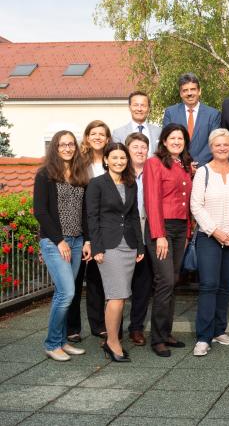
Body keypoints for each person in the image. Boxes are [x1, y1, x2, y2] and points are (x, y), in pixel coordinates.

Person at [190, 129, 229, 356]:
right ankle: (204, 337)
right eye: (217, 145)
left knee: (225, 286)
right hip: (209, 237)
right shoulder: (203, 173)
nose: (222, 148)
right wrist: (215, 231)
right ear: (211, 147)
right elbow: (196, 205)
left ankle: (218, 330)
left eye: (226, 145)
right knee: (209, 285)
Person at [34, 130, 91, 361]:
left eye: (70, 144)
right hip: (54, 242)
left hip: (77, 241)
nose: (67, 148)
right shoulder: (45, 174)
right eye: (62, 144)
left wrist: (87, 239)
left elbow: (84, 211)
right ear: (55, 148)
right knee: (67, 292)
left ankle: (61, 341)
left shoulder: (79, 173)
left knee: (66, 292)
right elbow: (40, 212)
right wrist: (59, 241)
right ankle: (51, 343)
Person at [87, 143, 145, 362]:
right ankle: (112, 342)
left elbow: (132, 217)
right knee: (117, 296)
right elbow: (92, 218)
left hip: (129, 245)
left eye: (123, 158)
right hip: (108, 246)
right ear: (106, 160)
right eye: (115, 158)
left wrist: (139, 246)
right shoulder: (96, 184)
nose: (119, 161)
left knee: (121, 296)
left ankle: (111, 339)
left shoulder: (131, 184)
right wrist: (97, 247)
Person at [144, 124, 193, 357]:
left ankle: (166, 333)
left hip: (180, 228)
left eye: (180, 138)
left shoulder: (184, 165)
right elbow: (152, 201)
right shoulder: (154, 163)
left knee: (173, 280)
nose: (176, 141)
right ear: (163, 141)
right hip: (161, 228)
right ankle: (157, 339)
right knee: (164, 281)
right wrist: (159, 234)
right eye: (172, 138)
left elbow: (188, 202)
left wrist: (188, 233)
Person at [67, 120, 111, 342]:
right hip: (79, 227)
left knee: (96, 280)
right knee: (74, 280)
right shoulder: (78, 163)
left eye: (101, 134)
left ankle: (98, 325)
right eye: (93, 134)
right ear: (86, 137)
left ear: (107, 138)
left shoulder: (111, 162)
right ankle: (72, 328)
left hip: (102, 229)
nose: (97, 137)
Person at [124, 133, 153, 346]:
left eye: (144, 147)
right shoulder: (120, 173)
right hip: (124, 235)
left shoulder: (153, 172)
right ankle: (111, 328)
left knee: (143, 284)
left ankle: (136, 327)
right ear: (127, 150)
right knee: (119, 285)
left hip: (148, 232)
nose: (140, 151)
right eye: (135, 147)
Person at [163, 73, 222, 166]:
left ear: (199, 91)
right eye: (185, 90)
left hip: (204, 168)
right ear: (181, 93)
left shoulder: (213, 114)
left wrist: (196, 165)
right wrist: (183, 165)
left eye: (193, 89)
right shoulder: (170, 113)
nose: (189, 93)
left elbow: (214, 142)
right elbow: (167, 140)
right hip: (176, 168)